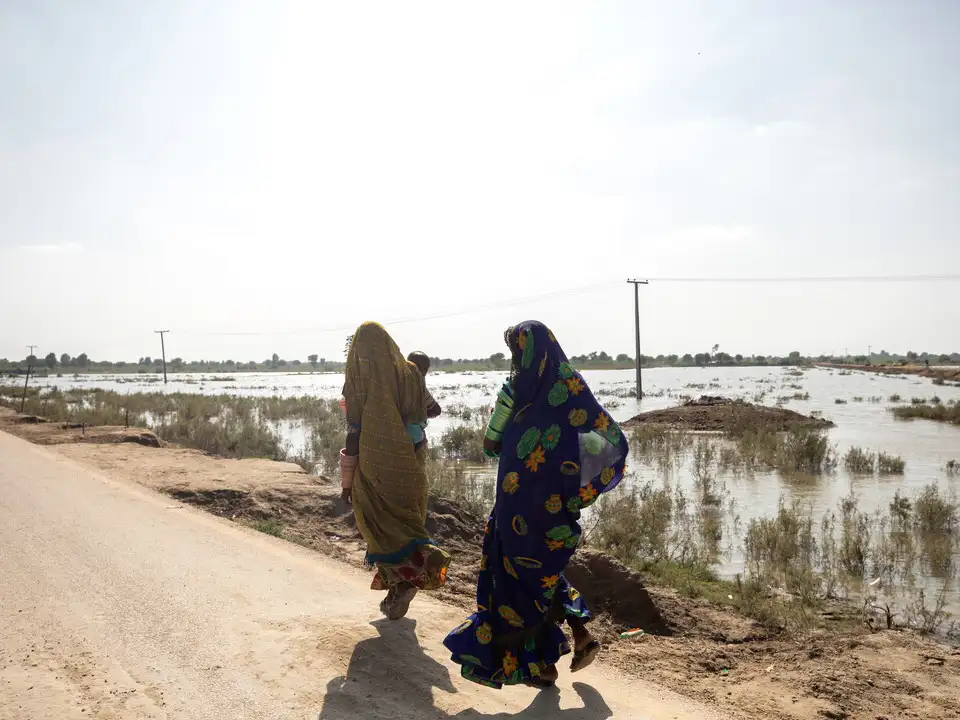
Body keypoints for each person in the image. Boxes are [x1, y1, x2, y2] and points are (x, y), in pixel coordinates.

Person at [443, 321, 628, 689]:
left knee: (516, 577)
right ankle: (579, 636)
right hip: (554, 507)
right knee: (538, 572)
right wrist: (576, 487)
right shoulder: (572, 385)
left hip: (516, 503)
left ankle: (541, 666)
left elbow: (490, 445)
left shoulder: (515, 390)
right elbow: (607, 438)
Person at [339, 322, 452, 620]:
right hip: (413, 461)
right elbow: (431, 409)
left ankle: (420, 568)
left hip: (375, 469)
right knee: (408, 521)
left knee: (376, 525)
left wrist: (347, 483)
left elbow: (353, 433)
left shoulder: (357, 384)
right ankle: (397, 592)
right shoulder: (410, 374)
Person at [406, 351, 443, 448]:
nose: (424, 373)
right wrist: (422, 413)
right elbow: (437, 410)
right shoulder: (418, 384)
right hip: (413, 435)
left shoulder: (395, 381)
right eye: (425, 369)